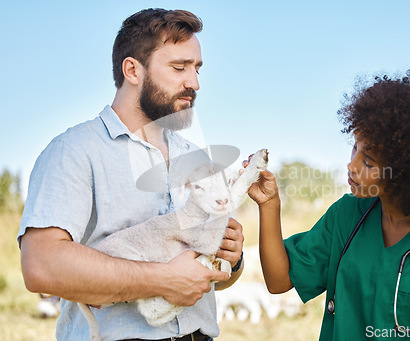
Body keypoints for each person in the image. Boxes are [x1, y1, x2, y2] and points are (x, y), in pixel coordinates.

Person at [18, 9, 244, 341]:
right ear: (132, 70)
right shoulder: (75, 151)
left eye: (196, 69)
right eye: (179, 67)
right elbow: (41, 265)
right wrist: (164, 280)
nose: (194, 83)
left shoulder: (197, 158)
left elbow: (222, 276)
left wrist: (232, 258)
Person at [247, 70, 410, 340]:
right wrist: (269, 204)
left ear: (408, 173)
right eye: (355, 148)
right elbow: (279, 280)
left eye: (369, 162)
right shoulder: (346, 216)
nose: (351, 166)